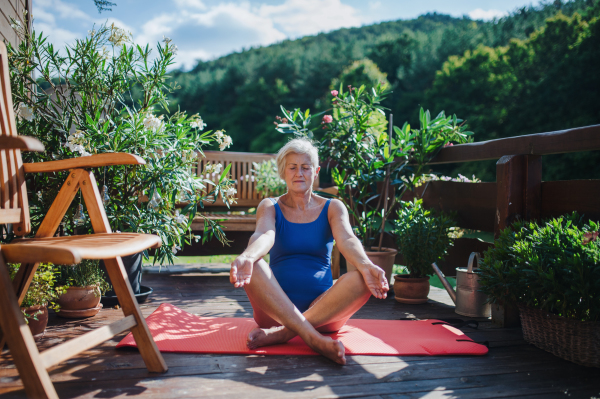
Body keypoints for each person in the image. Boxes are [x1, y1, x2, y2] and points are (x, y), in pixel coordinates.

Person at [229, 138, 389, 365]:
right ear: (283, 172)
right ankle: (313, 338)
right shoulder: (270, 206)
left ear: (316, 172)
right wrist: (247, 256)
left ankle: (284, 333)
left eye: (305, 167)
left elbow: (347, 239)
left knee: (362, 278)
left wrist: (365, 264)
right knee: (255, 265)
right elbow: (265, 235)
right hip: (272, 312)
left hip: (325, 311)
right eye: (292, 167)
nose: (299, 173)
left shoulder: (333, 207)